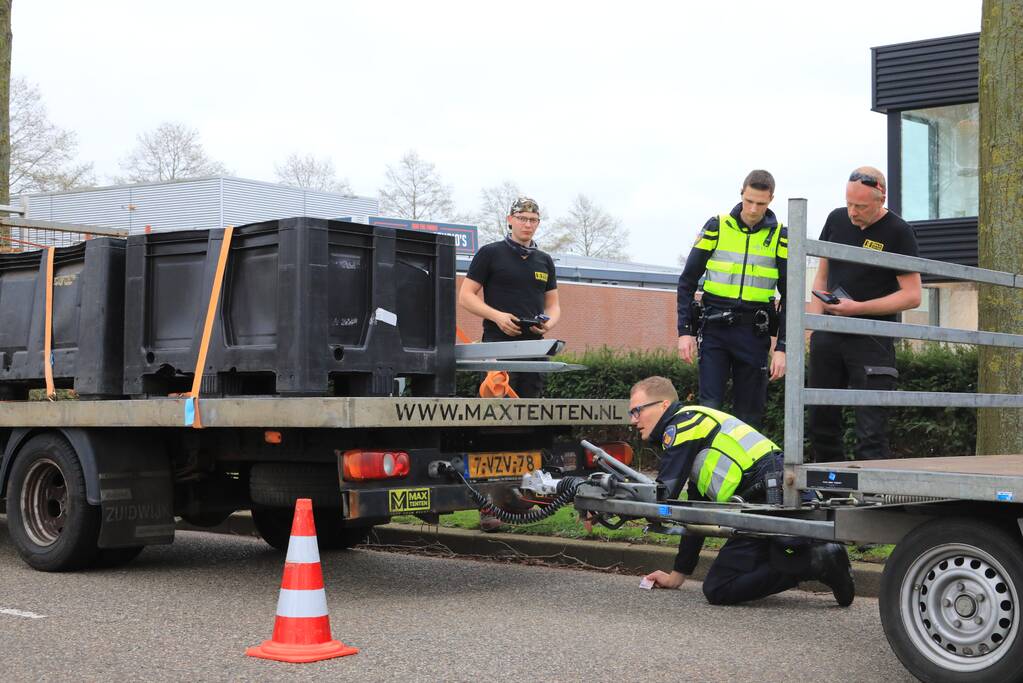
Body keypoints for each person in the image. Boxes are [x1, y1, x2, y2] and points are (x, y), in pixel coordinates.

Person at [630, 376, 854, 607]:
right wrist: (677, 575)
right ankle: (816, 557)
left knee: (719, 588)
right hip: (767, 493)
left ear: (663, 405)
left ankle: (814, 562)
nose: (634, 420)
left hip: (765, 497)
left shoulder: (683, 424)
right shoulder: (698, 434)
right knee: (726, 582)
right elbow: (694, 511)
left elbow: (663, 493)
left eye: (637, 410)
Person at [808, 167, 921, 462]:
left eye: (860, 206)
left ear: (881, 198)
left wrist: (858, 309)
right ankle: (826, 487)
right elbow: (821, 275)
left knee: (871, 425)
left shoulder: (899, 231)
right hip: (830, 330)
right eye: (848, 203)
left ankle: (872, 494)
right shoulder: (835, 219)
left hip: (873, 337)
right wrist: (814, 325)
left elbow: (912, 295)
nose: (852, 212)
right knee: (820, 417)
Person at [676, 170, 788, 429]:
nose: (752, 209)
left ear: (771, 199)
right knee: (709, 410)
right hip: (714, 328)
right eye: (749, 200)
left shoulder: (781, 236)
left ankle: (746, 469)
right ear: (741, 193)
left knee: (748, 415)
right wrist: (684, 331)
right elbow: (687, 281)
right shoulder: (717, 226)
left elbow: (790, 295)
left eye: (760, 203)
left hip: (754, 332)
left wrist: (782, 348)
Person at [459, 196, 561, 400]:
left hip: (535, 347)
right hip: (498, 344)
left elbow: (554, 306)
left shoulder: (544, 260)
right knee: (494, 410)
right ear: (510, 219)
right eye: (522, 218)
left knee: (531, 413)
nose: (528, 224)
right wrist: (497, 317)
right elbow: (465, 296)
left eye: (533, 220)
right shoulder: (490, 253)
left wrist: (547, 324)